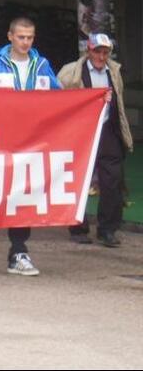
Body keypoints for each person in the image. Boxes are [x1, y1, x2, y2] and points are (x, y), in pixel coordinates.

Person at [0, 17, 61, 276]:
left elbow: (60, 96)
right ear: (10, 37)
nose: (25, 42)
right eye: (21, 37)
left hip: (31, 141)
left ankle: (18, 251)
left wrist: (92, 99)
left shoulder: (42, 65)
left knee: (24, 193)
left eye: (30, 37)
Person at [57, 33, 133, 248]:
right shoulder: (70, 72)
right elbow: (57, 98)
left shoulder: (114, 71)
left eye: (105, 52)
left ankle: (107, 230)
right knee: (78, 180)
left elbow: (119, 102)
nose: (101, 56)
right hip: (80, 132)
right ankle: (78, 228)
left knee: (112, 181)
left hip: (108, 130)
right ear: (88, 51)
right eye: (97, 51)